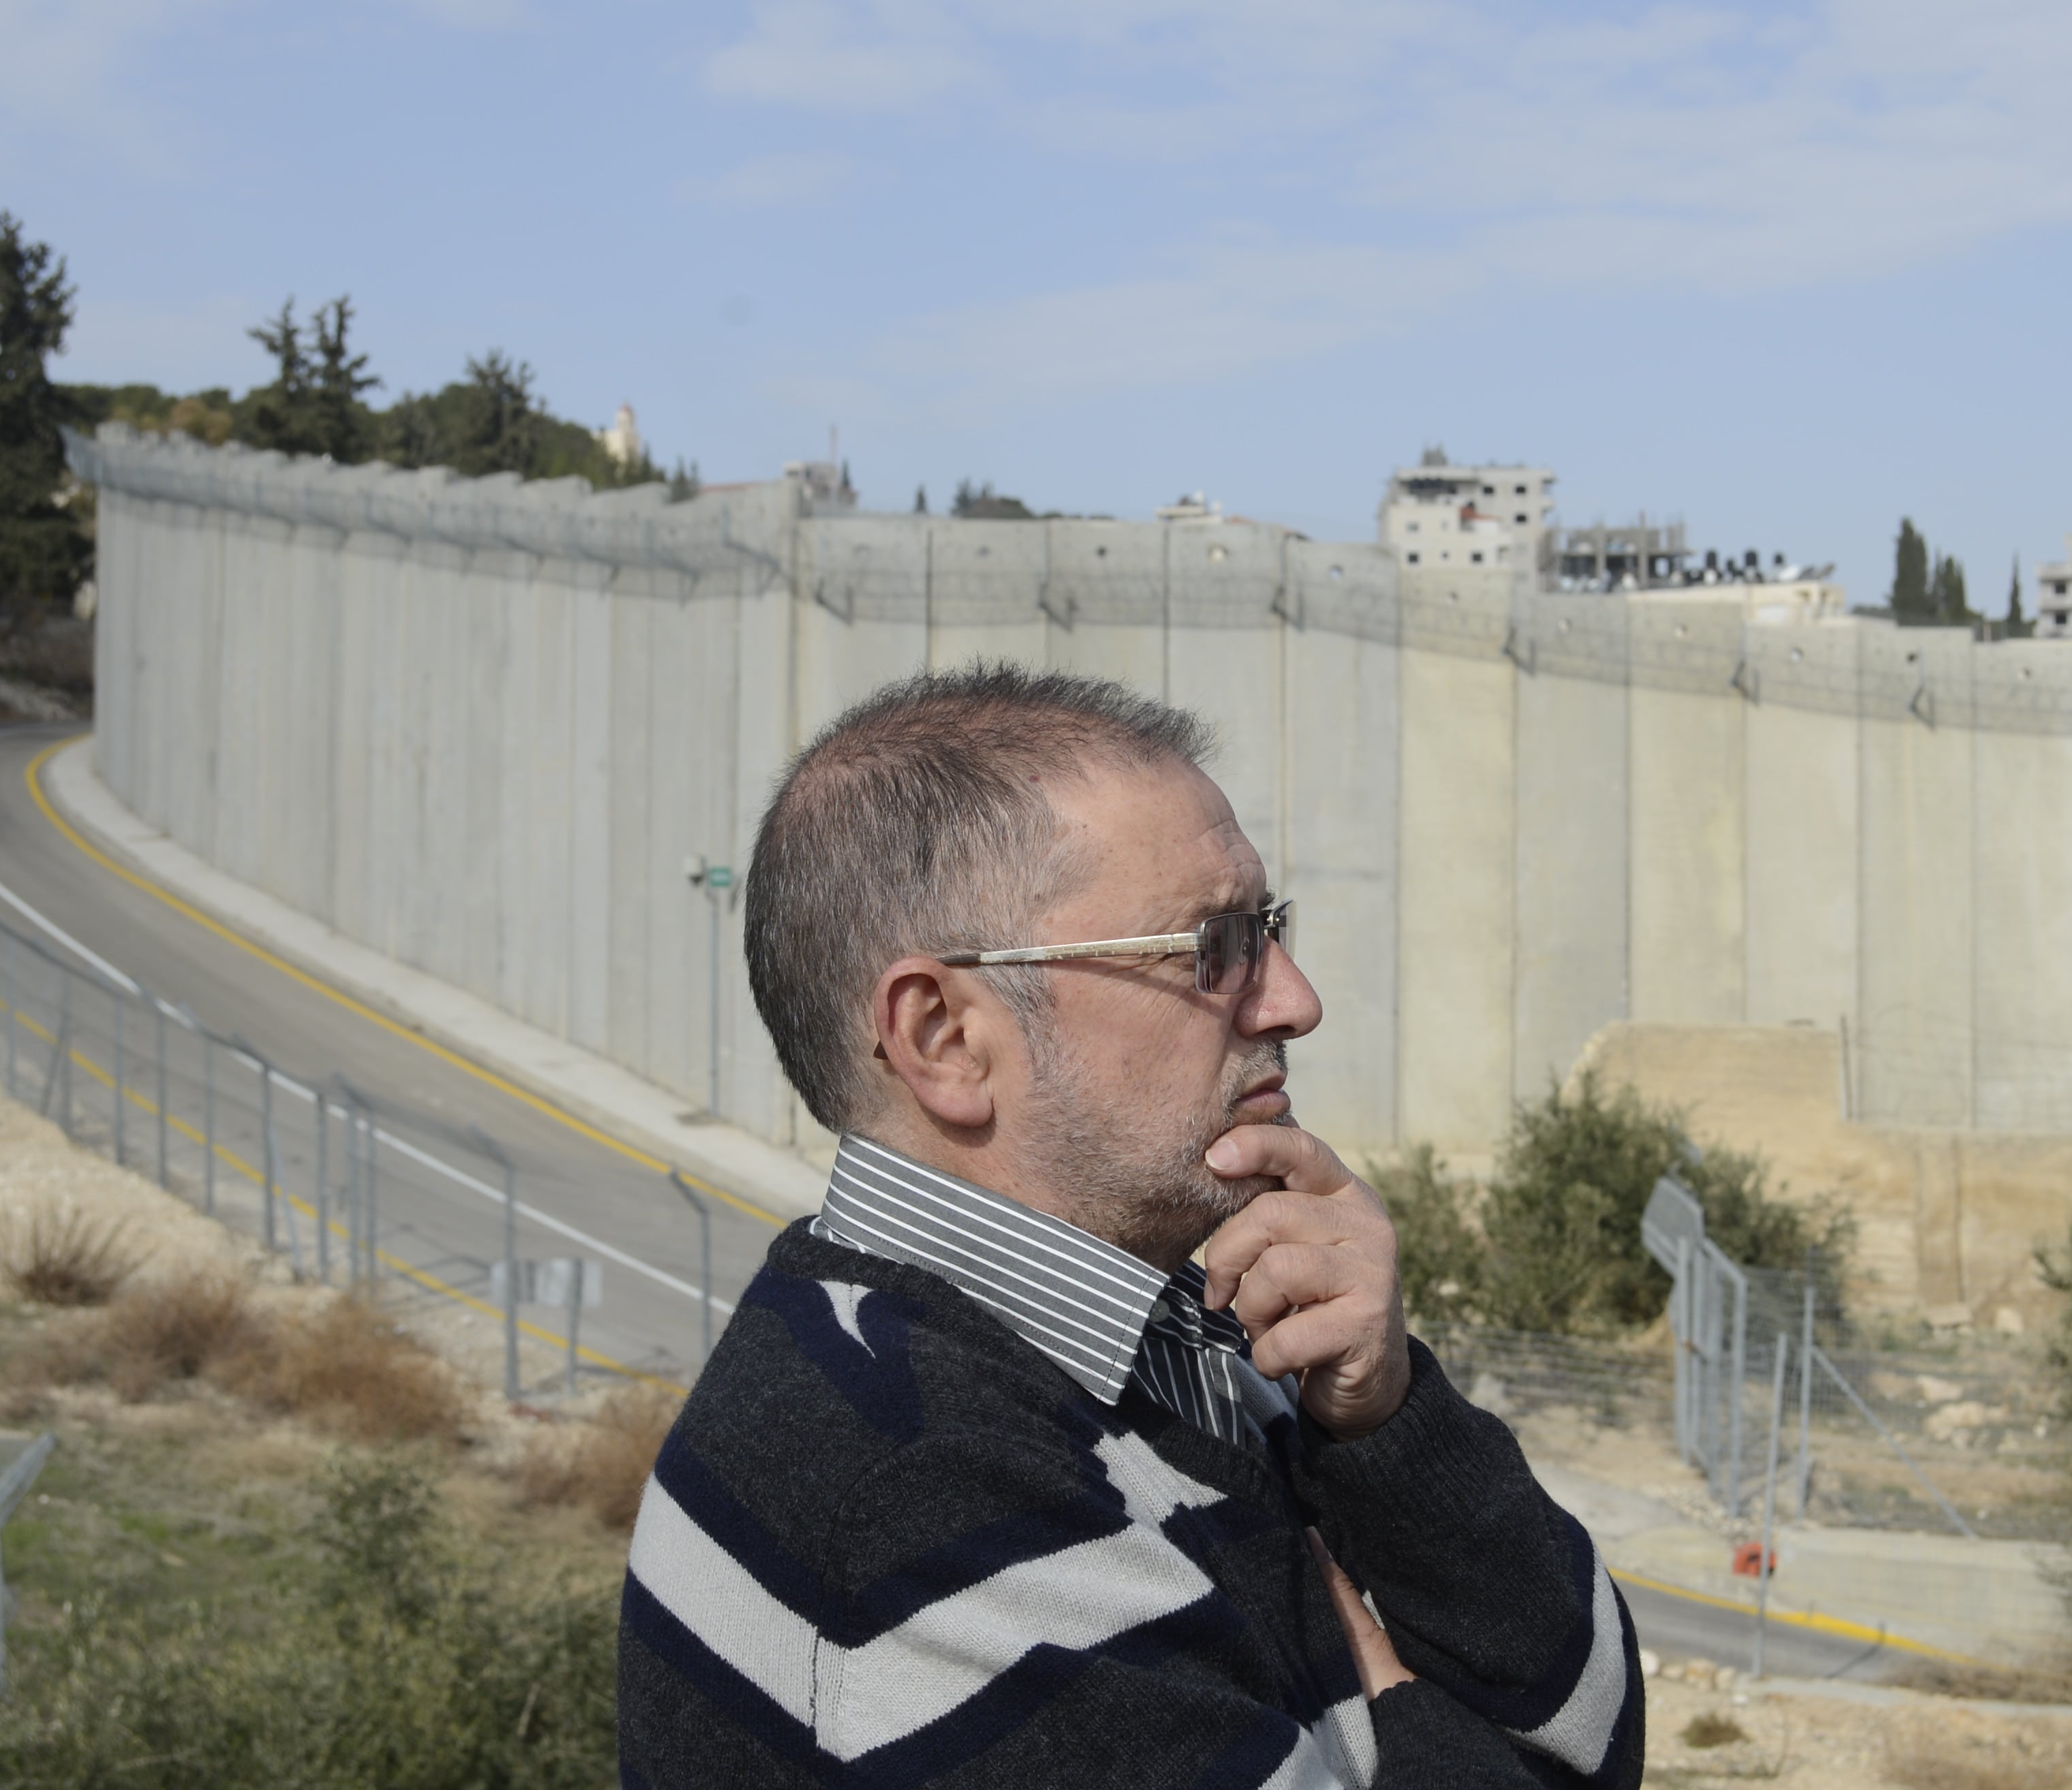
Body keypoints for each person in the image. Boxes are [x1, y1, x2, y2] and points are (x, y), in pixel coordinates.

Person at [619, 666, 1644, 1789]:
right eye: (1214, 946)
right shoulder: (912, 1493)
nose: (1295, 1001)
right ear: (946, 1038)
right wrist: (1402, 1701)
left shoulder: (1177, 1332)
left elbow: (1595, 1739)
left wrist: (1388, 1425)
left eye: (1269, 930)